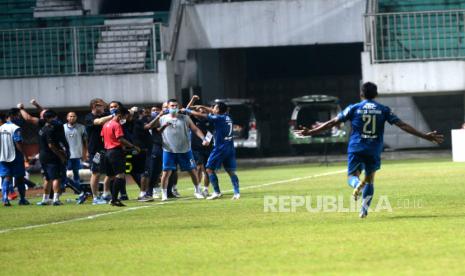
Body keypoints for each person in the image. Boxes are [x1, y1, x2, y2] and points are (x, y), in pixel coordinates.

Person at [296, 82, 444, 218]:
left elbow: (332, 122)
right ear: (376, 94)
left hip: (356, 147)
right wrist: (424, 136)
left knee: (352, 177)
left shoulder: (354, 108)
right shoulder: (383, 109)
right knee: (370, 180)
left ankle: (356, 185)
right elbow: (403, 125)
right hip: (373, 149)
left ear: (361, 94)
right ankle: (364, 210)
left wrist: (311, 132)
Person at [184, 100, 240, 200]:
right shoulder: (228, 117)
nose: (212, 109)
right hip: (230, 148)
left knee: (209, 169)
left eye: (214, 107)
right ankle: (237, 192)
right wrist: (203, 106)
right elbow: (212, 111)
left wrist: (187, 110)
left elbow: (203, 116)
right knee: (230, 170)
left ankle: (217, 192)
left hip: (220, 148)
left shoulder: (218, 118)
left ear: (218, 110)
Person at [157, 99, 208, 201]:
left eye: (176, 105)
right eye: (172, 106)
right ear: (167, 107)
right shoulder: (162, 118)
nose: (174, 107)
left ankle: (197, 191)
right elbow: (155, 130)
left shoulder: (185, 118)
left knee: (192, 171)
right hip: (169, 150)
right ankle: (164, 194)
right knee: (166, 172)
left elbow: (195, 129)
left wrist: (204, 139)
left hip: (185, 150)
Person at [101, 107, 140, 207]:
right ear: (119, 115)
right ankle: (114, 199)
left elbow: (102, 137)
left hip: (107, 151)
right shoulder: (116, 125)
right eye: (125, 117)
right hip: (115, 152)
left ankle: (111, 197)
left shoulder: (106, 124)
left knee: (111, 176)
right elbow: (120, 139)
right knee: (120, 175)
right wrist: (132, 146)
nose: (125, 119)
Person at [37, 110, 69, 206]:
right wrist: (61, 156)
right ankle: (56, 199)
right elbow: (51, 145)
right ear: (49, 118)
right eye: (54, 117)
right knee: (56, 178)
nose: (55, 119)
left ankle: (45, 199)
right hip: (51, 156)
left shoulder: (41, 129)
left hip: (42, 155)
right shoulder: (50, 130)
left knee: (47, 178)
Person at [84, 98, 113, 205]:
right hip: (96, 150)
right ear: (93, 107)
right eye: (99, 106)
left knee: (112, 171)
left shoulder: (104, 114)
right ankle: (95, 197)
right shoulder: (89, 117)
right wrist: (112, 116)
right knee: (96, 173)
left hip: (107, 148)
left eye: (102, 106)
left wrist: (105, 105)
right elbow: (99, 122)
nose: (102, 107)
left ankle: (106, 193)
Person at [0, 108, 30, 206]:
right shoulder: (15, 128)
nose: (18, 117)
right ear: (13, 116)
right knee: (20, 178)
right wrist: (25, 156)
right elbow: (18, 143)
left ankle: (5, 199)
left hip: (3, 157)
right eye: (17, 115)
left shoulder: (0, 127)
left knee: (6, 177)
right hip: (15, 156)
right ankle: (22, 199)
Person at [63, 112, 87, 197]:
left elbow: (85, 141)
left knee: (76, 173)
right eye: (70, 116)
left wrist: (85, 153)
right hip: (65, 155)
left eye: (74, 116)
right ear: (67, 118)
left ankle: (77, 189)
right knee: (63, 173)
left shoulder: (81, 127)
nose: (72, 118)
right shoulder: (62, 128)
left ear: (76, 117)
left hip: (77, 155)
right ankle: (63, 187)